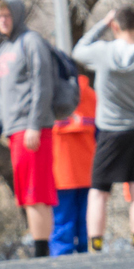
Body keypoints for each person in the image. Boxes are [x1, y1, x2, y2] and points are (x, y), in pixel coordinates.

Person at [72, 7, 134, 250]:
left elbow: (78, 51)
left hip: (109, 132)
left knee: (98, 191)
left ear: (115, 26)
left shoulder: (104, 53)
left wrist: (101, 24)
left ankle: (96, 244)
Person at [0, 0, 56, 257]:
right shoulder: (3, 50)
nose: (2, 21)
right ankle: (40, 246)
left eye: (6, 15)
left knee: (37, 192)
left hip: (32, 129)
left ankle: (42, 251)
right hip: (14, 132)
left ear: (17, 14)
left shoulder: (31, 42)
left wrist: (35, 124)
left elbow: (42, 85)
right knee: (27, 193)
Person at [50, 76, 97, 255]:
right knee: (88, 226)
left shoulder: (50, 94)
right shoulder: (91, 95)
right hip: (89, 171)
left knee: (62, 227)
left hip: (61, 173)